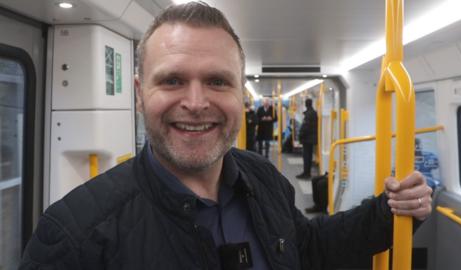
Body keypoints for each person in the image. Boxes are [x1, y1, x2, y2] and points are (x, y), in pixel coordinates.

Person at [20, 2, 433, 270]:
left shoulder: (262, 177)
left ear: (240, 94)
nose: (196, 102)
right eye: (173, 81)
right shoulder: (75, 236)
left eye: (218, 81)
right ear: (140, 94)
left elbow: (307, 249)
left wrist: (390, 211)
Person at [296, 98, 318, 179]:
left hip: (307, 139)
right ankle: (306, 172)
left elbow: (305, 127)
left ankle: (306, 173)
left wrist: (300, 136)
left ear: (306, 104)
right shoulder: (314, 113)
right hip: (311, 138)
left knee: (306, 157)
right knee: (308, 156)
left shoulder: (309, 114)